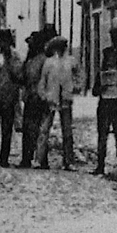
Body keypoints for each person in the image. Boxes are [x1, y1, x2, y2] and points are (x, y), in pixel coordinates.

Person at [37, 36, 77, 170]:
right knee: (44, 130)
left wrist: (74, 88)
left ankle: (68, 160)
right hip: (51, 99)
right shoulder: (49, 63)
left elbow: (80, 76)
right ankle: (41, 159)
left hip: (65, 99)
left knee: (67, 131)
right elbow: (42, 81)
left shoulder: (71, 62)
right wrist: (43, 96)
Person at [0, 29, 23, 168]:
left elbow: (19, 76)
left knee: (7, 130)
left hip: (9, 97)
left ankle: (4, 158)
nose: (3, 44)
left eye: (5, 41)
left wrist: (9, 62)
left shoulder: (15, 56)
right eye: (0, 41)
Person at [92, 47, 117, 175]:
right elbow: (94, 92)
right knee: (102, 135)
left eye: (112, 60)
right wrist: (101, 87)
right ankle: (100, 164)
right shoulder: (101, 74)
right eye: (108, 60)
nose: (109, 62)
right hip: (105, 104)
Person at [19, 32, 46, 168]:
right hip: (29, 96)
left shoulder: (42, 60)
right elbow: (23, 77)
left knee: (38, 129)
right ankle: (26, 157)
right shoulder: (29, 60)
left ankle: (40, 158)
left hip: (39, 97)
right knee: (28, 128)